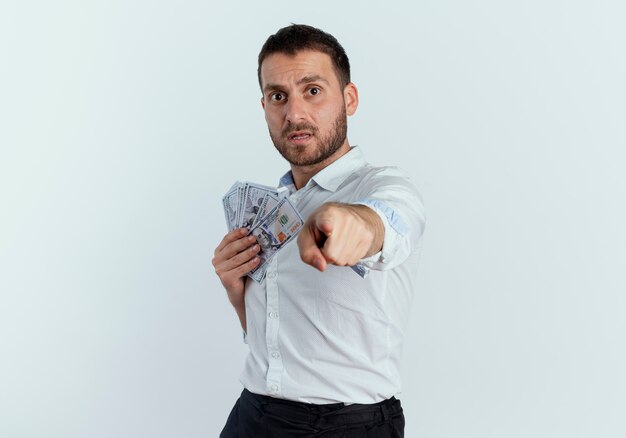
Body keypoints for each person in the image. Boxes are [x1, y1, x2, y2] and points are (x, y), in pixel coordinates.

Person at [212, 24, 425, 437]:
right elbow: (273, 339)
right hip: (252, 414)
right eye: (279, 96)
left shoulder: (382, 187)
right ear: (265, 108)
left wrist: (356, 225)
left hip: (348, 425)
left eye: (312, 90)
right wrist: (236, 291)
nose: (295, 114)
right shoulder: (270, 208)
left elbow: (389, 221)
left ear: (349, 99)